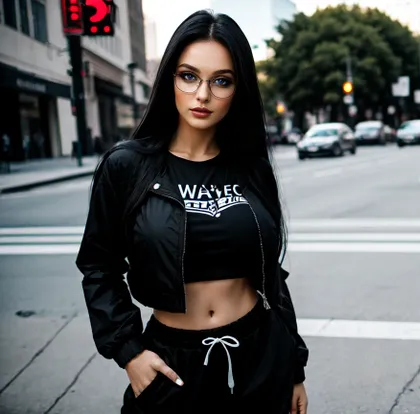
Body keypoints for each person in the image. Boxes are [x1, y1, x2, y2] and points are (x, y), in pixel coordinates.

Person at [76, 10, 308, 414]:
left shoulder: (250, 167)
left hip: (261, 355)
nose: (203, 95)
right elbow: (99, 266)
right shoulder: (127, 166)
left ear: (239, 90)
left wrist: (295, 366)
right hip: (173, 365)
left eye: (222, 81)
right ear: (170, 79)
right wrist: (131, 353)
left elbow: (273, 275)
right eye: (189, 76)